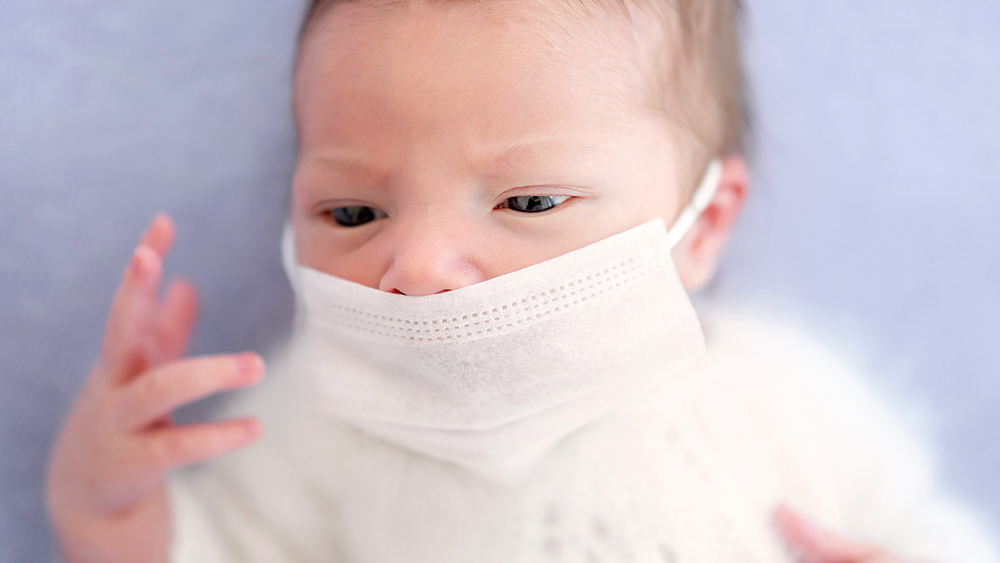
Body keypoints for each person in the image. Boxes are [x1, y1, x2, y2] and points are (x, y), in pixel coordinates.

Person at [46, 0, 999, 561]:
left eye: (530, 202)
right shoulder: (330, 417)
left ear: (704, 223)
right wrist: (109, 506)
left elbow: (920, 520)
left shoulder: (778, 395)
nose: (418, 266)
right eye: (353, 213)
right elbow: (220, 545)